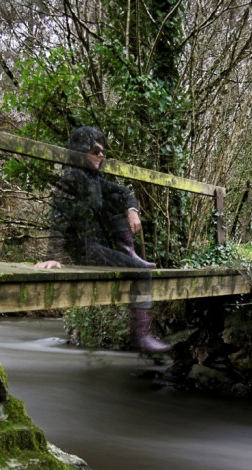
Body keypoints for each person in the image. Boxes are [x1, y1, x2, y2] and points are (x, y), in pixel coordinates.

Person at [35, 126, 169, 353]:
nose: (101, 156)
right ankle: (140, 336)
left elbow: (125, 191)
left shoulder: (95, 179)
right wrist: (52, 256)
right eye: (95, 151)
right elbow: (58, 217)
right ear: (80, 151)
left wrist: (132, 209)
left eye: (103, 152)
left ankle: (129, 253)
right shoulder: (73, 178)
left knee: (117, 197)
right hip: (85, 250)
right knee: (142, 272)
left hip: (98, 245)